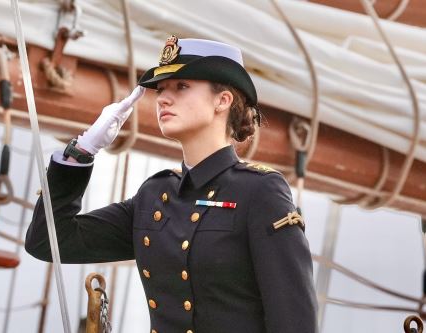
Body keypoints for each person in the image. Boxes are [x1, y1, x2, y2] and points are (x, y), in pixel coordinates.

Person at [25, 36, 318, 333]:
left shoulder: (259, 191)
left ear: (223, 100)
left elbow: (294, 321)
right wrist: (82, 150)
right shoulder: (155, 197)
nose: (163, 98)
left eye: (182, 87)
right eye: (161, 89)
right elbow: (48, 242)